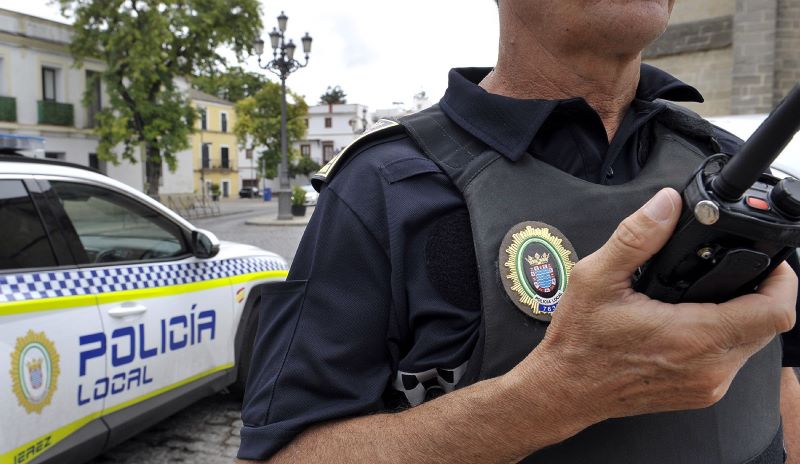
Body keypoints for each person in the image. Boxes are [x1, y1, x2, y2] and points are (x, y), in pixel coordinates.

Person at [237, 1, 800, 462]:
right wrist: (554, 395)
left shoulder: (735, 170)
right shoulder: (381, 185)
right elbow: (284, 452)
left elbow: (785, 377)